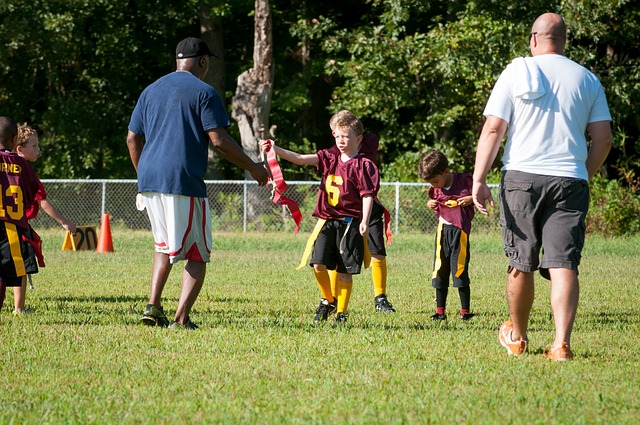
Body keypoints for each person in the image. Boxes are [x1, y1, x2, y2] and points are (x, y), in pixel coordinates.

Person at [472, 13, 613, 361]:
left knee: (521, 261)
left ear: (534, 38)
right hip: (570, 178)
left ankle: (518, 338)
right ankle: (561, 344)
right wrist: (583, 174)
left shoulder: (516, 70)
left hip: (521, 177)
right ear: (564, 40)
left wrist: (478, 179)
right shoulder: (587, 78)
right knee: (564, 263)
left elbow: (493, 130)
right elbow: (604, 139)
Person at [126, 37, 268, 330]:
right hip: (182, 180)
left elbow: (131, 138)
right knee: (197, 253)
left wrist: (144, 174)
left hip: (149, 180)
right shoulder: (204, 92)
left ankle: (153, 306)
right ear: (202, 62)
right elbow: (219, 141)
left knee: (163, 247)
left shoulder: (150, 90)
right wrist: (254, 168)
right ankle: (180, 319)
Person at [259, 110, 378, 323]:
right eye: (337, 136)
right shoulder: (329, 158)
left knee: (344, 272)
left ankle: (341, 312)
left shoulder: (363, 165)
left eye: (346, 136)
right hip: (327, 220)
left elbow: (368, 195)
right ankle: (327, 299)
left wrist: (365, 221)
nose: (341, 141)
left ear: (358, 139)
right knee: (318, 264)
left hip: (349, 223)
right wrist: (275, 149)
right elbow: (300, 159)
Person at [9, 124, 77, 315]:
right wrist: (64, 221)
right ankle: (19, 308)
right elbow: (42, 201)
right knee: (21, 266)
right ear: (20, 149)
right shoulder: (25, 169)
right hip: (16, 225)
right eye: (35, 146)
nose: (38, 149)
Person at [327, 133, 395, 313]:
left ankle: (380, 297)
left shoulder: (365, 141)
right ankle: (333, 298)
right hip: (345, 210)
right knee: (338, 255)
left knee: (377, 250)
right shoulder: (338, 146)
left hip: (368, 207)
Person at [419, 150, 475, 321]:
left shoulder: (464, 181)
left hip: (460, 232)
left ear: (446, 171)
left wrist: (471, 199)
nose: (435, 186)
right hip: (442, 231)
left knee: (459, 269)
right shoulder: (436, 188)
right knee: (440, 269)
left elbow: (481, 194)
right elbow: (433, 199)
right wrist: (430, 203)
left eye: (436, 181)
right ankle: (440, 311)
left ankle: (465, 312)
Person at [0, 117, 39, 316]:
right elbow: (33, 190)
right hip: (11, 226)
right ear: (15, 139)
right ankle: (18, 308)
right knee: (17, 269)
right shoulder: (20, 163)